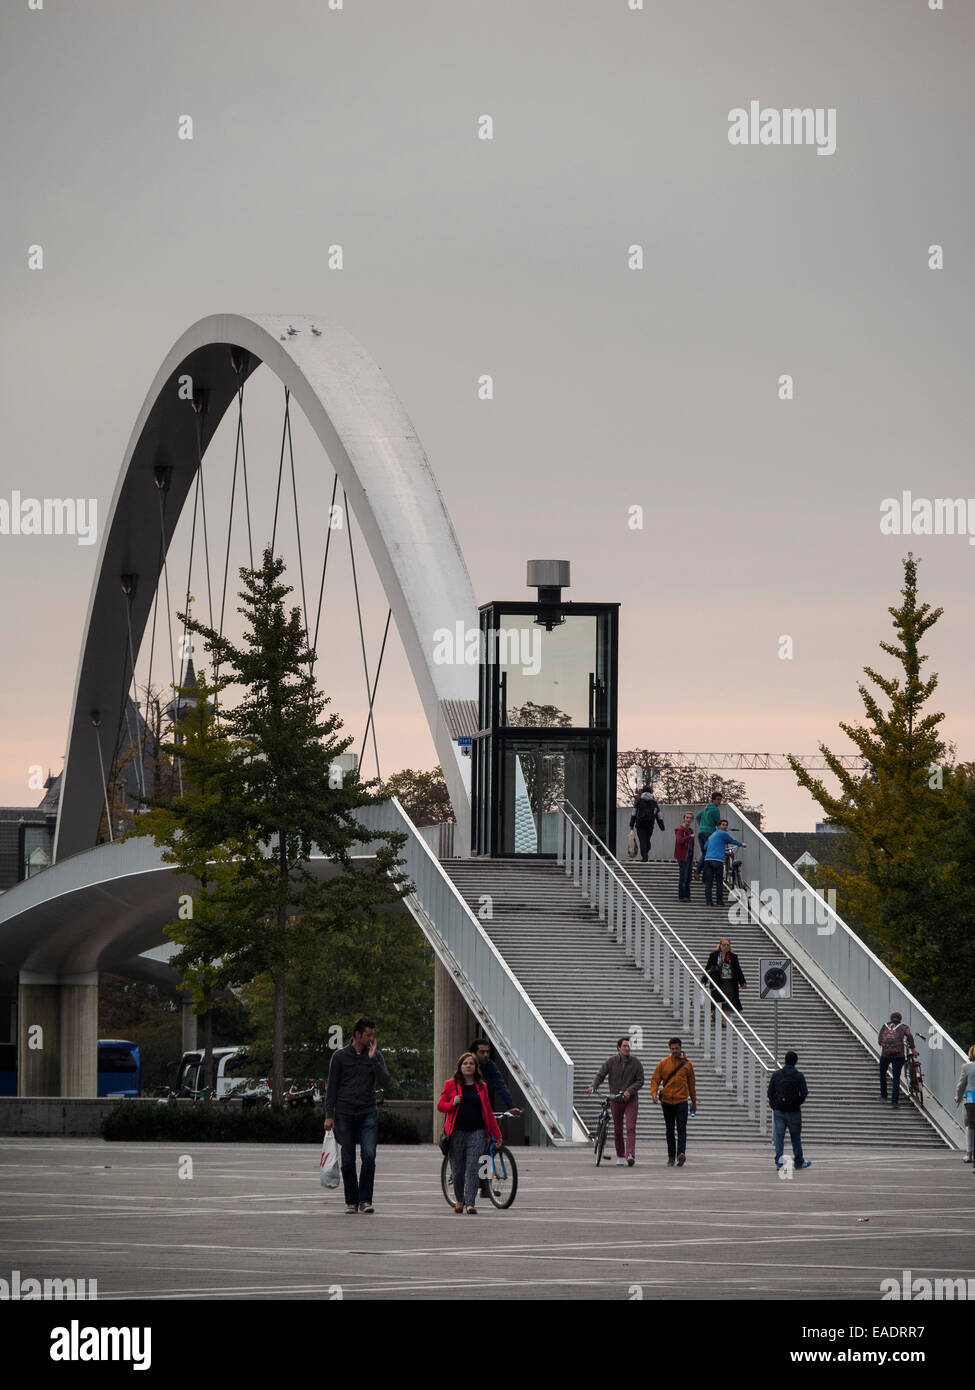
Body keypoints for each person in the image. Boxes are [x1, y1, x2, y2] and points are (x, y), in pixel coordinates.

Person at [324, 1016, 388, 1214]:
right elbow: (332, 1086)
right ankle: (351, 1200)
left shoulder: (376, 1055)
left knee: (369, 1156)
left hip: (368, 1111)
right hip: (344, 1113)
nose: (371, 1038)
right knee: (348, 1158)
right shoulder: (340, 1057)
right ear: (357, 1035)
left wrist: (373, 1059)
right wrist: (329, 1114)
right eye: (368, 1035)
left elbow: (386, 1082)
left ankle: (365, 1200)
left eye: (372, 1035)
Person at [437, 1052, 503, 1214]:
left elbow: (487, 1110)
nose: (468, 1066)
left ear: (475, 1067)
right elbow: (440, 1105)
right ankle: (460, 1200)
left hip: (477, 1132)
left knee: (473, 1167)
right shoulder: (451, 1084)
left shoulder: (481, 1086)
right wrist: (452, 1103)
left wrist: (497, 1134)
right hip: (457, 1132)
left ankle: (470, 1203)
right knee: (458, 1170)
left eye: (471, 1064)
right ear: (460, 1066)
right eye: (465, 1063)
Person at [587, 1036, 645, 1166]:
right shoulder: (611, 1061)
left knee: (630, 1127)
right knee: (618, 1129)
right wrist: (593, 1086)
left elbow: (640, 1080)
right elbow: (601, 1074)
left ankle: (630, 1154)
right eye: (624, 1046)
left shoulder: (636, 1063)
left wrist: (630, 1091)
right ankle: (620, 1155)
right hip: (615, 1099)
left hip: (631, 1100)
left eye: (628, 1046)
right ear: (619, 1048)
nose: (627, 1048)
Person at [650, 1037, 698, 1167]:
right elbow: (655, 1079)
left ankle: (680, 1154)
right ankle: (671, 1156)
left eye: (677, 1048)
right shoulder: (663, 1063)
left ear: (681, 1048)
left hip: (682, 1101)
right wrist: (654, 1093)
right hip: (667, 1102)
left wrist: (694, 1102)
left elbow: (691, 1084)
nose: (675, 1051)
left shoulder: (687, 1064)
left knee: (682, 1128)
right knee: (669, 1130)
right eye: (672, 1049)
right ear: (669, 1049)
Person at [767, 1049, 812, 1170]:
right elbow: (804, 1093)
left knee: (779, 1137)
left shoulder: (777, 1075)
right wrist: (797, 1103)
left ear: (785, 1060)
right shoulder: (799, 1075)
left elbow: (770, 1092)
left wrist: (774, 1105)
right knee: (795, 1137)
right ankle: (798, 1161)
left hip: (779, 1110)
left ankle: (779, 1162)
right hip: (794, 1111)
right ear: (795, 1062)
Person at [470, 1038, 521, 1116]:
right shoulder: (467, 1066)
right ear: (474, 1053)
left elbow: (500, 1086)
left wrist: (511, 1106)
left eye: (487, 1052)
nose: (486, 1055)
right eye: (482, 1052)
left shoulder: (490, 1065)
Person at [701, 819, 745, 907]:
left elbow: (705, 847)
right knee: (719, 882)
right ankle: (719, 901)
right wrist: (741, 844)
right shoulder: (723, 834)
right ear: (718, 826)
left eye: (726, 825)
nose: (725, 827)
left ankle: (709, 902)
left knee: (709, 882)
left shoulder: (712, 835)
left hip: (707, 860)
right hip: (717, 861)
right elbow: (732, 841)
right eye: (723, 825)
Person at [877, 1011, 916, 1107]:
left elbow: (879, 1040)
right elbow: (910, 1035)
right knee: (896, 1077)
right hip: (899, 1056)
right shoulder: (903, 1027)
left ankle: (884, 1096)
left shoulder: (885, 1025)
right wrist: (913, 1048)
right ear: (900, 1019)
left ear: (891, 1018)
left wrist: (886, 1046)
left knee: (882, 1074)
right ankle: (894, 1101)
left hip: (885, 1055)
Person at [702, 936, 747, 1016]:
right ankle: (716, 1013)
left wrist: (742, 982)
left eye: (727, 945)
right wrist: (704, 981)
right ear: (720, 945)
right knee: (718, 998)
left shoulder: (733, 957)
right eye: (724, 945)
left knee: (729, 999)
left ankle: (724, 1020)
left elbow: (738, 970)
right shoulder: (714, 955)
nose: (726, 947)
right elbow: (708, 968)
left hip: (730, 981)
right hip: (717, 980)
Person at [630, 786, 663, 862]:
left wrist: (631, 824)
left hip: (640, 825)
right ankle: (646, 852)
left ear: (643, 792)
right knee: (647, 839)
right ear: (651, 792)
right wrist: (661, 826)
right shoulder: (654, 802)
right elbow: (659, 815)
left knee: (642, 840)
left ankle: (644, 857)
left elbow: (634, 813)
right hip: (650, 825)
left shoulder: (638, 801)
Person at [693, 792, 723, 878]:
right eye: (718, 799)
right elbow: (718, 823)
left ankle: (699, 871)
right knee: (708, 854)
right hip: (709, 834)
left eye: (720, 800)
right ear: (713, 800)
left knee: (704, 853)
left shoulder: (706, 807)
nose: (719, 801)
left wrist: (702, 826)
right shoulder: (715, 809)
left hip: (701, 833)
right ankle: (700, 871)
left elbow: (698, 816)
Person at [955, 1043, 975, 1164]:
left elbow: (961, 1085)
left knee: (970, 1125)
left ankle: (969, 1153)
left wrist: (958, 1097)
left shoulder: (966, 1067)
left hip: (971, 1097)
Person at [674, 812, 695, 901]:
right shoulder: (680, 829)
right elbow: (679, 841)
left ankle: (687, 895)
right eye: (687, 818)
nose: (688, 820)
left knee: (689, 876)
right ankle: (682, 896)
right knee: (683, 876)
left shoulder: (690, 830)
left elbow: (691, 845)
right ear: (684, 818)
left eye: (690, 818)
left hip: (689, 856)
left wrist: (692, 857)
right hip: (682, 856)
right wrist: (689, 836)